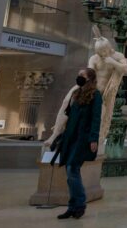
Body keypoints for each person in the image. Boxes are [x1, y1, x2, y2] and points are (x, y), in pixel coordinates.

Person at [52, 67, 101, 221]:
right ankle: (72, 206)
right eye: (78, 75)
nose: (78, 77)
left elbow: (96, 117)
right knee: (70, 171)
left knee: (73, 168)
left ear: (89, 78)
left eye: (82, 75)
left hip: (82, 137)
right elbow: (69, 115)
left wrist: (94, 138)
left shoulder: (96, 95)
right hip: (71, 136)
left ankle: (79, 204)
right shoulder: (76, 93)